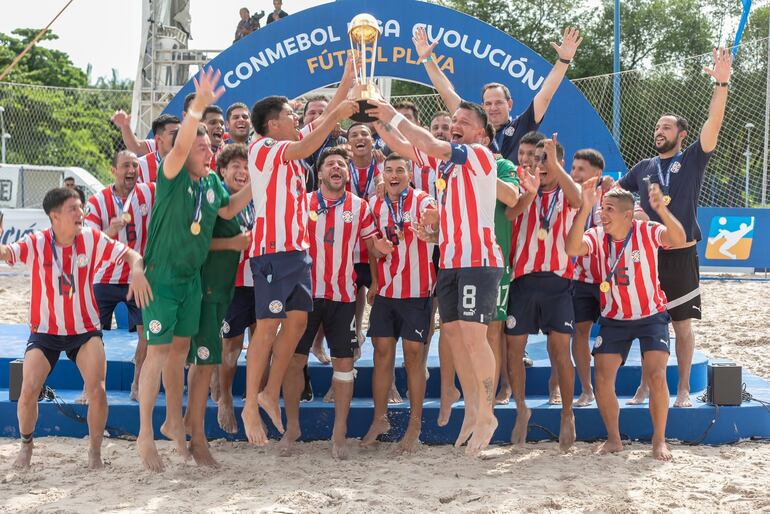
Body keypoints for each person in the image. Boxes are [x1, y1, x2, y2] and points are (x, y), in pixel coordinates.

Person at [367, 98, 503, 456]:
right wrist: (373, 121)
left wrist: (389, 112)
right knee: (456, 338)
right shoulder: (447, 169)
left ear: (481, 133)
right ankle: (473, 409)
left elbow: (427, 142)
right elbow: (404, 146)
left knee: (474, 338)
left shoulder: (479, 156)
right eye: (452, 119)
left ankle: (488, 413)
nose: (455, 123)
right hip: (452, 261)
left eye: (462, 120)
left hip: (478, 260)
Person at [136, 68, 253, 472]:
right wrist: (198, 108)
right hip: (161, 278)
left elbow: (230, 208)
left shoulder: (209, 185)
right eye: (202, 147)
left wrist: (262, 179)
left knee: (180, 352)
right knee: (157, 354)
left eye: (208, 146)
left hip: (191, 280)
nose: (208, 152)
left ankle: (173, 423)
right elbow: (184, 143)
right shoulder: (170, 175)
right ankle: (145, 435)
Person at [240, 60, 358, 446]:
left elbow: (321, 124)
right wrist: (336, 115)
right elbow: (312, 142)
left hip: (297, 252)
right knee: (266, 327)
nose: (298, 118)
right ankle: (249, 404)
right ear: (273, 123)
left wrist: (349, 74)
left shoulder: (286, 145)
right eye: (292, 114)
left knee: (297, 324)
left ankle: (268, 393)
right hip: (273, 251)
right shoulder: (263, 147)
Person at [0, 187, 152, 470]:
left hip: (84, 330)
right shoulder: (37, 242)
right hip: (45, 331)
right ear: (54, 216)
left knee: (98, 391)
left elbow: (131, 254)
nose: (81, 213)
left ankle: (95, 452)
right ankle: (26, 445)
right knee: (28, 390)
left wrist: (138, 270)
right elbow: (6, 252)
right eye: (73, 208)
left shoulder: (91, 238)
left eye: (81, 207)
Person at [618, 48, 732, 408]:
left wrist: (722, 83)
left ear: (682, 133)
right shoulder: (643, 167)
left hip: (681, 256)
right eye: (656, 127)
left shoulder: (692, 159)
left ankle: (682, 389)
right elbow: (619, 194)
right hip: (648, 256)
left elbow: (713, 123)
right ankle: (645, 386)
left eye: (666, 127)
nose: (659, 131)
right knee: (649, 326)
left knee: (682, 326)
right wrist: (634, 209)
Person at [279, 146, 387, 459]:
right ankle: (293, 427)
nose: (336, 168)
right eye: (330, 164)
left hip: (342, 297)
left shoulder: (359, 206)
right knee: (294, 361)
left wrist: (376, 282)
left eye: (341, 163)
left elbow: (370, 246)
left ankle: (339, 432)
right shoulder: (303, 203)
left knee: (344, 364)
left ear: (347, 172)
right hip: (304, 296)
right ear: (321, 172)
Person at [566, 182, 686, 461]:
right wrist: (585, 208)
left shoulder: (645, 230)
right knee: (603, 378)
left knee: (657, 375)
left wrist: (662, 210)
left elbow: (678, 239)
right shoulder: (597, 235)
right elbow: (572, 248)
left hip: (650, 314)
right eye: (601, 208)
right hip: (615, 317)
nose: (602, 214)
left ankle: (659, 441)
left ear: (627, 215)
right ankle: (614, 439)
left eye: (608, 210)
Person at [505, 135, 582, 451]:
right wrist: (530, 192)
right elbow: (510, 215)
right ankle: (521, 408)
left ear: (560, 163)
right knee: (514, 348)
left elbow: (578, 201)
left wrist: (555, 165)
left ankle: (567, 413)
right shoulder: (525, 187)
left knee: (560, 350)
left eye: (547, 159)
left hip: (557, 282)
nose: (541, 165)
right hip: (523, 281)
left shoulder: (565, 191)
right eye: (537, 159)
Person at [411, 25, 582, 164]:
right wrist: (427, 59)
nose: (492, 108)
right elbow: (446, 92)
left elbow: (545, 95)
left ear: (509, 104)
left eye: (498, 102)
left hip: (512, 197)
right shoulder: (475, 124)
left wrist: (564, 60)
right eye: (488, 103)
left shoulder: (522, 126)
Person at [361, 153, 437, 454]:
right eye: (389, 170)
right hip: (387, 292)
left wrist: (432, 232)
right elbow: (370, 246)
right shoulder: (374, 204)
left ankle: (414, 425)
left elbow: (440, 228)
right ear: (383, 175)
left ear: (409, 173)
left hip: (417, 291)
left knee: (414, 358)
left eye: (400, 170)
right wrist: (376, 270)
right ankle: (380, 419)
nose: (394, 175)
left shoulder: (423, 200)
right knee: (381, 354)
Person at [184, 143, 253, 466]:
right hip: (207, 291)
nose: (242, 171)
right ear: (221, 170)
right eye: (235, 166)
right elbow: (195, 240)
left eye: (247, 166)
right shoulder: (211, 193)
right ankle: (193, 434)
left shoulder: (237, 200)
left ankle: (190, 429)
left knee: (204, 360)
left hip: (225, 290)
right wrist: (234, 243)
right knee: (202, 361)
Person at [85, 150, 155, 402]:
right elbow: (88, 241)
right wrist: (109, 230)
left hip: (139, 277)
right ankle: (90, 388)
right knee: (91, 335)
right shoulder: (96, 201)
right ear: (113, 170)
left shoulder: (149, 192)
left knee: (146, 333)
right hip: (104, 277)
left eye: (135, 166)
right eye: (126, 166)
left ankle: (137, 383)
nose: (132, 171)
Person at [112, 92, 195, 157]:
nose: (200, 115)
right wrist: (125, 126)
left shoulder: (206, 143)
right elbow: (136, 147)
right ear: (185, 115)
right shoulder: (167, 141)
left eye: (204, 110)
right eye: (196, 110)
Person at [137, 114, 181, 183]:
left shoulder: (189, 163)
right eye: (173, 133)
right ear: (158, 139)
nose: (178, 137)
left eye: (180, 133)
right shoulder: (140, 167)